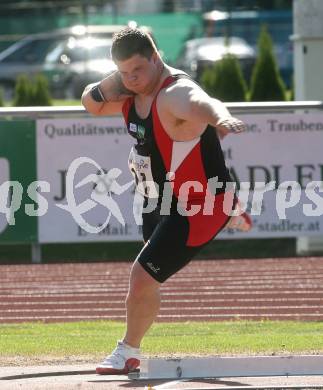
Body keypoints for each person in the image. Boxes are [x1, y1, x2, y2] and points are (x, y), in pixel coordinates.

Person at [82, 27, 252, 375]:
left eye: (138, 71)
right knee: (149, 277)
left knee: (141, 278)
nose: (131, 80)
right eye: (124, 73)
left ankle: (128, 351)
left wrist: (220, 117)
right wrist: (111, 82)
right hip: (157, 199)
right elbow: (91, 104)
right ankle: (232, 209)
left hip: (198, 205)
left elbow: (201, 101)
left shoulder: (173, 94)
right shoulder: (130, 93)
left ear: (156, 58)